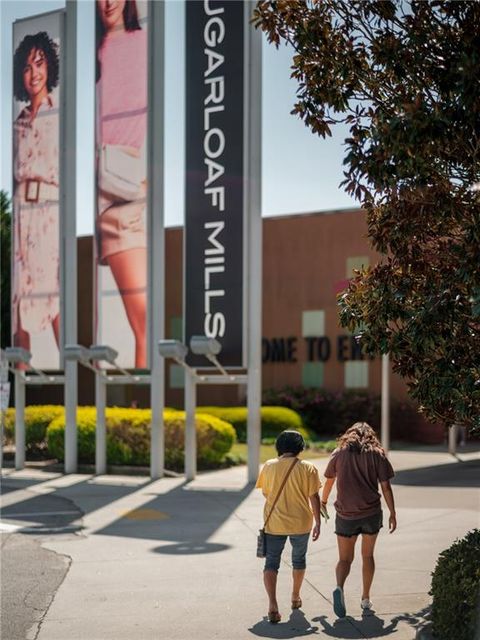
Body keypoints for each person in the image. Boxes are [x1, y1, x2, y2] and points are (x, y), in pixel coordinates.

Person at [96, 0, 148, 368]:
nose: (108, 2)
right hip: (97, 188)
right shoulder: (93, 53)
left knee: (143, 314)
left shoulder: (145, 45)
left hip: (130, 186)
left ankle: (141, 413)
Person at [12, 31, 61, 364]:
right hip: (21, 214)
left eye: (39, 64)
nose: (34, 74)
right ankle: (20, 384)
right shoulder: (16, 125)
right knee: (18, 299)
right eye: (27, 68)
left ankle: (76, 377)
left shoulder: (58, 115)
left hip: (48, 213)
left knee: (51, 294)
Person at [321, 422, 397, 618]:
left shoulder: (339, 453)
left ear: (350, 434)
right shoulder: (377, 454)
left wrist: (323, 500)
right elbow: (386, 487)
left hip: (346, 514)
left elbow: (329, 480)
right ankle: (365, 598)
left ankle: (339, 587)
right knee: (368, 556)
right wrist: (392, 512)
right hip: (371, 513)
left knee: (345, 559)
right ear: (371, 435)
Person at [256, 430, 322, 624]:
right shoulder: (308, 468)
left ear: (279, 446)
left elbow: (267, 493)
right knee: (299, 560)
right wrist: (318, 521)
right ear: (300, 447)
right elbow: (314, 497)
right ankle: (295, 596)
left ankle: (273, 605)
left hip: (274, 523)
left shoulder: (269, 466)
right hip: (301, 523)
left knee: (271, 563)